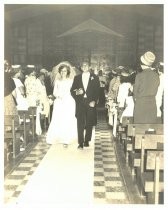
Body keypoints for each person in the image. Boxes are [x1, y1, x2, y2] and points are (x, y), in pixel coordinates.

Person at [46, 62, 77, 147]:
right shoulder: (57, 81)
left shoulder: (71, 81)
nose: (63, 73)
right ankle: (58, 137)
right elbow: (54, 92)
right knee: (58, 118)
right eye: (62, 71)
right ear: (59, 72)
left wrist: (67, 96)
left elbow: (73, 91)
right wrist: (59, 96)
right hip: (59, 101)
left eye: (65, 71)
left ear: (68, 72)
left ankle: (67, 139)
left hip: (69, 101)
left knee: (67, 119)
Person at [70, 61, 100, 149]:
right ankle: (81, 142)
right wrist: (77, 93)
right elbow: (72, 91)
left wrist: (94, 101)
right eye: (83, 65)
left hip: (90, 102)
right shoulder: (77, 77)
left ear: (89, 67)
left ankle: (87, 140)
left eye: (86, 65)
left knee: (89, 122)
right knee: (80, 122)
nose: (85, 66)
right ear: (81, 67)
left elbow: (97, 91)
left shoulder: (95, 77)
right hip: (80, 102)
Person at [133, 51, 160, 123]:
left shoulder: (139, 75)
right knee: (151, 129)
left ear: (141, 64)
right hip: (152, 104)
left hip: (141, 104)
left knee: (139, 129)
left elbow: (135, 94)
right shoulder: (156, 75)